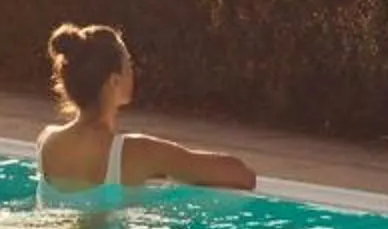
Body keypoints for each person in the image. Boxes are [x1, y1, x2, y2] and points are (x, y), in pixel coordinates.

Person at [34, 22, 257, 202]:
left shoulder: (46, 141)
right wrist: (159, 165)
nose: (133, 71)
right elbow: (243, 176)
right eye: (128, 64)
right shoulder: (138, 152)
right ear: (114, 81)